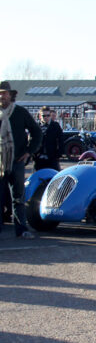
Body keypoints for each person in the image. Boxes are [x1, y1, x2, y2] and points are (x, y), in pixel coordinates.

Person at [0, 80, 43, 238]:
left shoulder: (20, 112)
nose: (1, 96)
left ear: (11, 95)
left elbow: (37, 132)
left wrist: (29, 151)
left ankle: (22, 229)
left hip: (17, 161)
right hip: (0, 162)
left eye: (4, 93)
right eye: (0, 93)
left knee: (18, 198)